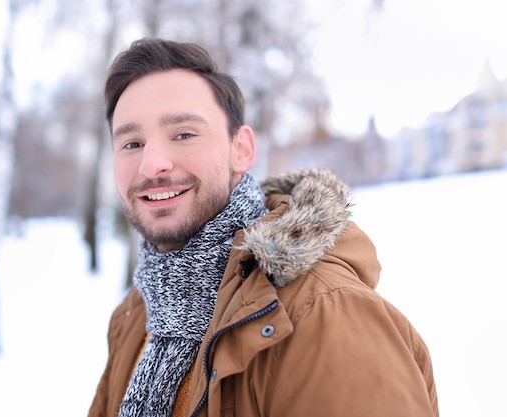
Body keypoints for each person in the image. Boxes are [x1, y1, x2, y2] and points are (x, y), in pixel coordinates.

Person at [88, 38, 439, 417]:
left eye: (184, 134)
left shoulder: (324, 316)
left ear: (241, 150)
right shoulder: (137, 314)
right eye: (132, 143)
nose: (151, 163)